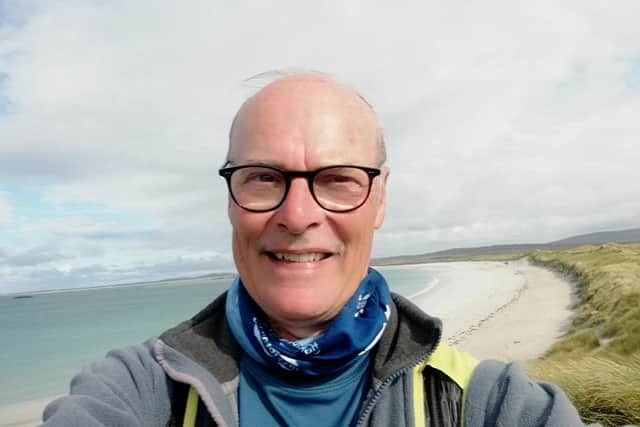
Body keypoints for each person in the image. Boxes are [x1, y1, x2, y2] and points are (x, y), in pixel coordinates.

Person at [41, 72, 589, 426]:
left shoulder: (488, 406)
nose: (299, 215)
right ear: (230, 200)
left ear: (379, 199)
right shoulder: (143, 390)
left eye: (338, 179)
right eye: (262, 177)